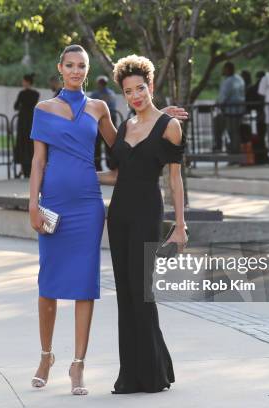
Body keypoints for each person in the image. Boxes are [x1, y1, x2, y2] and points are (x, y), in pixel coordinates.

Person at [28, 44, 187, 396]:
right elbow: (44, 162)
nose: (75, 70)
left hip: (105, 208)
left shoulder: (100, 109)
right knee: (58, 284)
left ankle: (90, 367)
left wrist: (163, 118)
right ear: (60, 68)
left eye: (81, 65)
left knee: (108, 287)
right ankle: (54, 358)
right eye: (69, 65)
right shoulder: (47, 110)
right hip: (74, 205)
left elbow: (142, 163)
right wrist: (34, 203)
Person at [97, 54, 186, 394]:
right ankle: (133, 375)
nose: (136, 96)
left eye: (140, 88)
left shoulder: (169, 126)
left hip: (148, 212)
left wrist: (180, 225)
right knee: (126, 293)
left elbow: (175, 181)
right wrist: (80, 178)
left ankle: (153, 372)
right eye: (129, 91)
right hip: (118, 215)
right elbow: (117, 174)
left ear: (151, 86)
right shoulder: (125, 127)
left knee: (141, 290)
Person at [213, 61, 246, 158]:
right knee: (236, 131)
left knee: (232, 132)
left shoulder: (228, 81)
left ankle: (234, 154)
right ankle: (235, 152)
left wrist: (218, 105)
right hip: (239, 110)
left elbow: (223, 97)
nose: (223, 71)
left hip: (230, 111)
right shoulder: (239, 79)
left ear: (228, 69)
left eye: (224, 68)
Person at [13, 73, 40, 178]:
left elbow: (15, 106)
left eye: (23, 81)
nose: (22, 83)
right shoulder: (36, 94)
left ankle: (23, 169)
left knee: (22, 144)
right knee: (31, 145)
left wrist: (21, 107)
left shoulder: (22, 94)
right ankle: (31, 168)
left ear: (27, 82)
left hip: (23, 122)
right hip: (32, 122)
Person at [90, 75, 117, 170]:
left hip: (98, 122)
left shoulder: (95, 95)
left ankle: (98, 167)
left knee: (97, 145)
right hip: (111, 121)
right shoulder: (112, 93)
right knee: (110, 145)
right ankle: (111, 166)